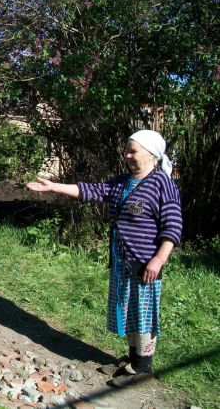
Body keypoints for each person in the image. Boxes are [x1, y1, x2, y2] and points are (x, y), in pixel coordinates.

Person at [26, 130, 182, 387]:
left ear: (151, 154)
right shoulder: (123, 182)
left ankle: (143, 368)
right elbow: (91, 190)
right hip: (123, 261)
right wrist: (53, 187)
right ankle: (132, 359)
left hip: (145, 262)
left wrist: (159, 260)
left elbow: (173, 226)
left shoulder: (163, 184)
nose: (127, 155)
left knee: (142, 313)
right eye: (127, 150)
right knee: (127, 310)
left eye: (133, 151)